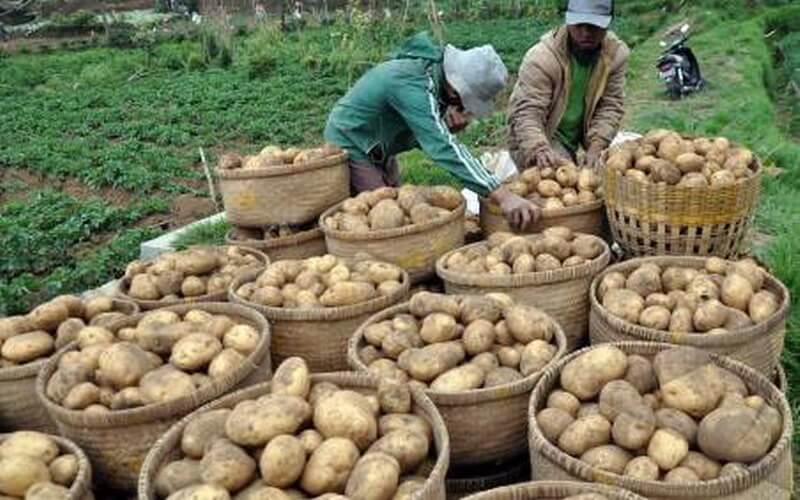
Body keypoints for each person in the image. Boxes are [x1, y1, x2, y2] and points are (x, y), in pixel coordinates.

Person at [324, 32, 541, 230]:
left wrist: (445, 128)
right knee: (383, 220)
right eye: (466, 102)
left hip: (380, 146)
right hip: (351, 140)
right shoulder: (414, 83)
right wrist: (502, 195)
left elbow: (426, 132)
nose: (464, 109)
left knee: (399, 209)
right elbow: (441, 146)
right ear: (456, 89)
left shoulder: (432, 78)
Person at [507, 0, 630, 171]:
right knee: (554, 189)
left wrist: (597, 145)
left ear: (608, 23)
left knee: (596, 178)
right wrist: (539, 148)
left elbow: (610, 105)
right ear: (568, 20)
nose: (585, 33)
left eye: (594, 26)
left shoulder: (615, 56)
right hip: (541, 135)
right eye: (579, 25)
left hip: (573, 138)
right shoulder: (541, 58)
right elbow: (528, 112)